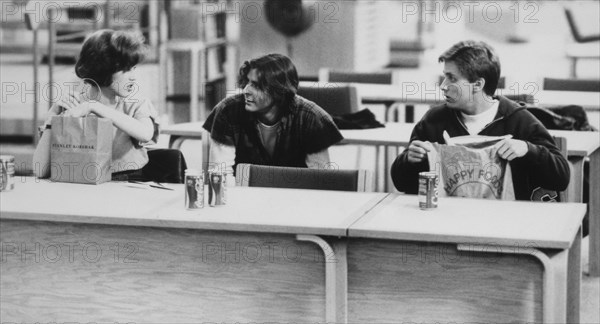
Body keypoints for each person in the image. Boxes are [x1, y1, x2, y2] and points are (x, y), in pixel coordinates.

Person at [390, 40, 570, 201]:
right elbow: (402, 184)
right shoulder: (433, 120)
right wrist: (408, 161)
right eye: (445, 76)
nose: (443, 86)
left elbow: (561, 178)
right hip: (448, 224)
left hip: (505, 227)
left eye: (452, 78)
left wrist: (528, 150)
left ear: (478, 85)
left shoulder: (519, 120)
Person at [33, 29, 183, 182]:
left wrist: (94, 107)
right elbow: (39, 169)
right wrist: (53, 122)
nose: (133, 77)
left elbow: (145, 133)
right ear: (103, 68)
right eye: (125, 70)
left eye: (134, 69)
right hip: (82, 187)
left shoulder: (135, 102)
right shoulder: (71, 104)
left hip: (128, 185)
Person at [203, 53, 343, 174]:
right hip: (243, 197)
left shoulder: (311, 117)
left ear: (279, 91)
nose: (246, 90)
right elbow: (220, 173)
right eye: (247, 82)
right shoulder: (228, 111)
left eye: (256, 86)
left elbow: (320, 179)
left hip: (296, 198)